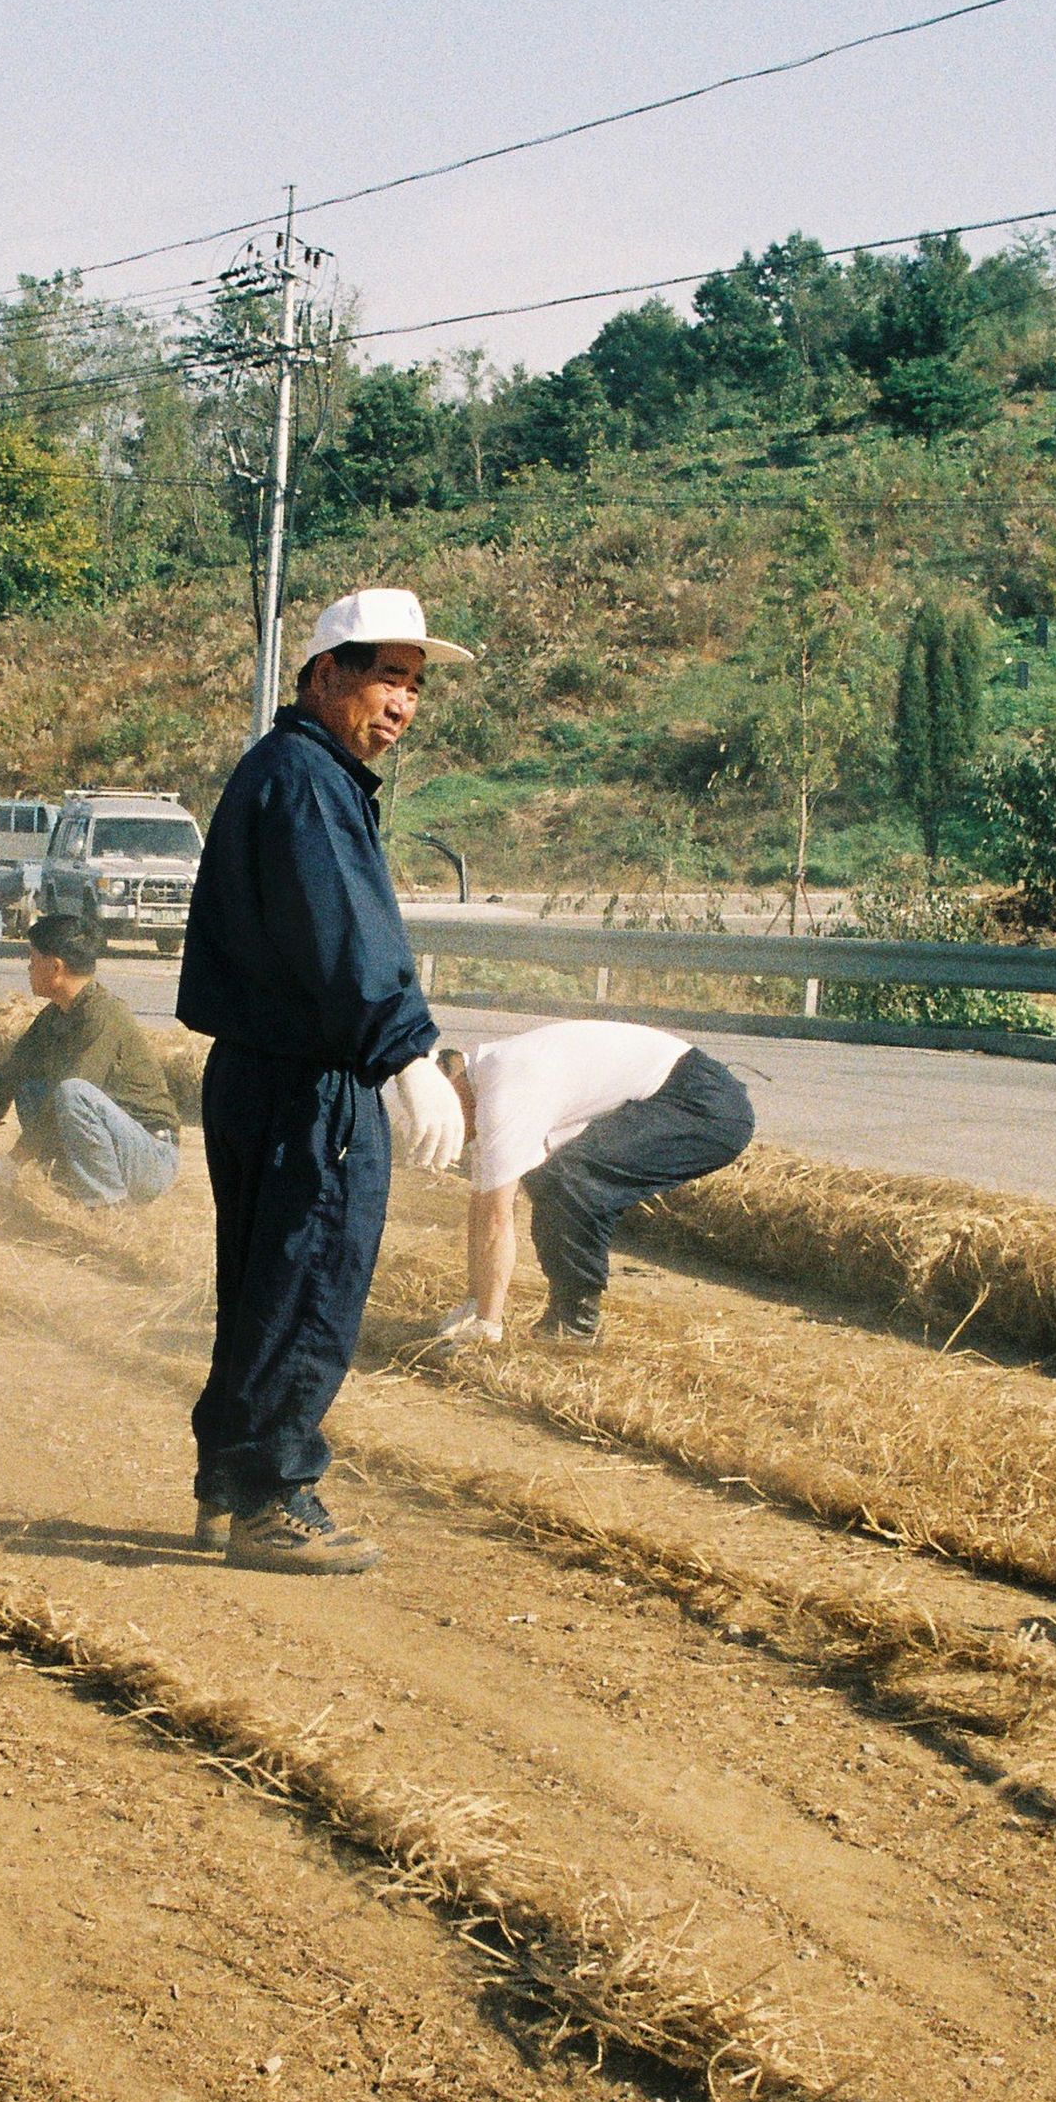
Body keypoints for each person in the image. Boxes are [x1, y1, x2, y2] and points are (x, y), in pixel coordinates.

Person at [173, 589, 472, 1572]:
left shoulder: (286, 772)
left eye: (415, 686)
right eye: (388, 675)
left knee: (261, 1283)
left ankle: (230, 1479)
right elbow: (343, 937)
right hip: (312, 1084)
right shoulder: (307, 782)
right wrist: (407, 1053)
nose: (402, 704)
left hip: (259, 1073)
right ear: (324, 674)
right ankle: (270, 1496)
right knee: (308, 1280)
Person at [425, 1023, 757, 1347]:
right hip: (681, 1092)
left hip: (705, 1104)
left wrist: (488, 1322)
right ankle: (567, 1317)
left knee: (571, 1178)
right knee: (549, 1174)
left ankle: (575, 1325)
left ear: (452, 1086)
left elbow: (498, 1219)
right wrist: (473, 1301)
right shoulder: (485, 1080)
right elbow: (482, 1208)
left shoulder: (504, 1093)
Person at [0, 913, 180, 1204]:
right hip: (117, 1144)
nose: (28, 967)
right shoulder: (56, 1014)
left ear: (55, 967)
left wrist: (14, 1159)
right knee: (29, 1086)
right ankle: (69, 1185)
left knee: (71, 1092)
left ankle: (109, 1206)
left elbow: (71, 1095)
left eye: (32, 958)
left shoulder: (104, 1017)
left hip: (150, 1154)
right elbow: (10, 1074)